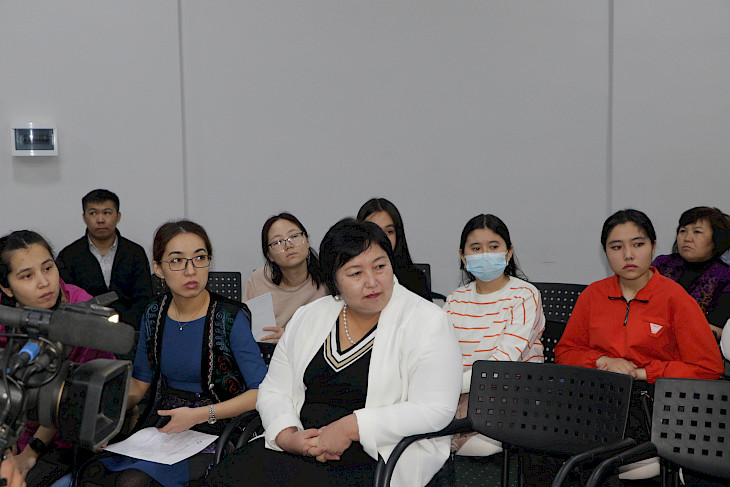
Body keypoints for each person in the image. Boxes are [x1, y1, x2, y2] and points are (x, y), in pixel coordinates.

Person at [206, 218, 462, 487]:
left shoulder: (427, 321)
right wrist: (287, 435)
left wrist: (351, 427)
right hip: (302, 444)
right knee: (224, 477)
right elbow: (274, 388)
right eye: (355, 273)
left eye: (380, 266)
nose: (372, 282)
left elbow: (435, 409)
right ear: (334, 280)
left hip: (377, 454)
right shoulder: (309, 316)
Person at [80, 220, 267, 487]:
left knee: (133, 482)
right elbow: (139, 385)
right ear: (158, 268)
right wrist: (104, 418)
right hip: (164, 426)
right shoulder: (154, 313)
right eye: (177, 261)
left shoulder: (229, 317)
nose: (191, 270)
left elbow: (260, 392)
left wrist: (200, 415)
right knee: (92, 473)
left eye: (199, 258)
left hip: (217, 427)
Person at [0, 230, 115, 487]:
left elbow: (69, 398)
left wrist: (29, 454)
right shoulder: (4, 315)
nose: (44, 282)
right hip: (13, 425)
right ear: (6, 287)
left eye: (48, 268)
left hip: (66, 433)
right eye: (27, 276)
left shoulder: (82, 309)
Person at [444, 214, 544, 457]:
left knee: (478, 448)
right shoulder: (455, 299)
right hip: (457, 394)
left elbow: (505, 361)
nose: (485, 255)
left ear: (509, 252)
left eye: (493, 246)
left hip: (509, 394)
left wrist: (448, 386)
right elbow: (440, 354)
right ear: (463, 256)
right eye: (476, 248)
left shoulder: (525, 295)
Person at [57, 189, 153, 331]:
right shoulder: (69, 255)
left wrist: (123, 328)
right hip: (85, 330)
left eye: (107, 213)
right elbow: (68, 301)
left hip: (130, 330)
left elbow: (143, 298)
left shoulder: (135, 252)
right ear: (84, 217)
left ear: (118, 216)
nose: (100, 219)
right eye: (93, 213)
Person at [243, 213, 327, 343]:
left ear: (307, 241)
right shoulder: (258, 280)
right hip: (268, 352)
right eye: (278, 242)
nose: (288, 245)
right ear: (269, 255)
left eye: (294, 236)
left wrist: (290, 338)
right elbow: (245, 330)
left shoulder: (328, 279)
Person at [652, 206, 730, 340]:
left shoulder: (726, 277)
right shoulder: (662, 264)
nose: (687, 238)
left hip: (695, 344)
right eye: (683, 231)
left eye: (697, 232)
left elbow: (718, 329)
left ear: (716, 239)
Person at [357, 198, 432, 300]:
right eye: (374, 231)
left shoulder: (416, 278)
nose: (383, 238)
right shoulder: (350, 278)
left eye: (389, 231)